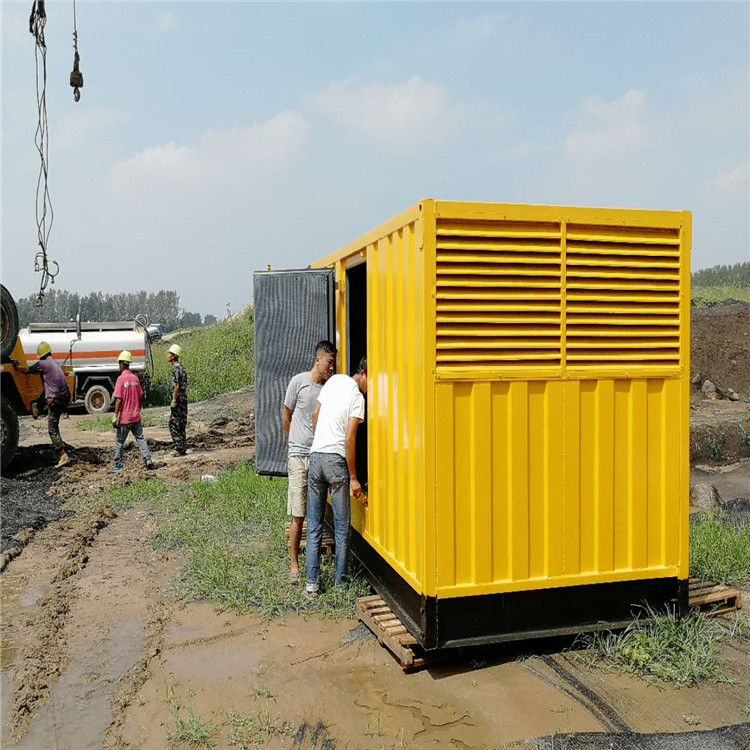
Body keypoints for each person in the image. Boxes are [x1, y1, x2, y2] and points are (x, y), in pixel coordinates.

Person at [305, 357, 367, 599]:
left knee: (315, 525)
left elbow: (315, 413)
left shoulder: (333, 382)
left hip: (316, 457)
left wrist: (320, 439)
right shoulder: (357, 398)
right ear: (363, 374)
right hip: (335, 462)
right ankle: (340, 586)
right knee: (342, 528)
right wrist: (354, 478)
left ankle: (312, 585)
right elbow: (350, 439)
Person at [282, 341, 336, 583]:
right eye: (329, 363)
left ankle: (320, 557)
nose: (332, 368)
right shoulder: (299, 382)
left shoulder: (328, 389)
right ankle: (294, 564)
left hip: (319, 456)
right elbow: (287, 414)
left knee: (321, 510)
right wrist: (292, 444)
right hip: (299, 457)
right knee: (298, 514)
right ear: (318, 359)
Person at [12, 341, 72, 468]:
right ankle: (37, 406)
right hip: (66, 397)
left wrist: (16, 366)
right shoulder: (54, 363)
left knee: (52, 428)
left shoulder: (42, 364)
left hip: (56, 399)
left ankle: (63, 455)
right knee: (46, 390)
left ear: (41, 355)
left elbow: (26, 370)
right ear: (49, 352)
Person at [112, 350, 154, 472]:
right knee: (140, 438)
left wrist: (115, 416)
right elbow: (140, 397)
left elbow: (118, 400)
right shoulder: (135, 378)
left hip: (125, 418)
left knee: (120, 441)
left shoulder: (121, 379)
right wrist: (137, 409)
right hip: (136, 416)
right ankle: (148, 460)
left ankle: (118, 465)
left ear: (121, 364)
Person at [167, 344, 188, 455]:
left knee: (173, 423)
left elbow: (177, 386)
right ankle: (183, 447)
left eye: (169, 354)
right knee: (182, 423)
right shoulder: (182, 367)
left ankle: (179, 447)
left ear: (173, 356)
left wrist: (174, 400)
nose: (168, 355)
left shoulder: (176, 369)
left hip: (179, 398)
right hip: (184, 397)